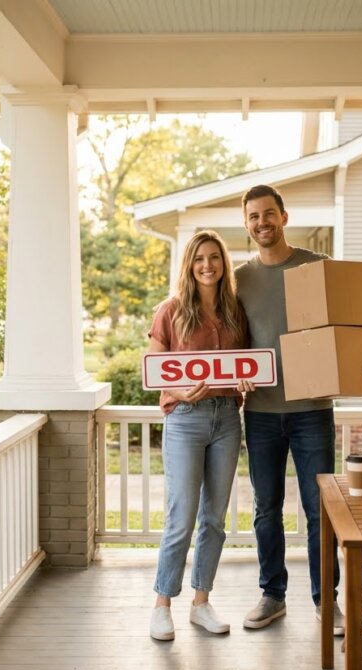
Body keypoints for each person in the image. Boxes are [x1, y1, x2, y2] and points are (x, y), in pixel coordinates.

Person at [236, 184, 362, 636]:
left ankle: (327, 602)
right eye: (253, 216)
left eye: (269, 213)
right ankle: (273, 596)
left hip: (312, 412)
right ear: (247, 224)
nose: (262, 222)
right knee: (266, 509)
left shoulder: (317, 267)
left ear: (284, 217)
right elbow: (227, 342)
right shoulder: (239, 279)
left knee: (318, 510)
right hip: (262, 412)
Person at [148, 230, 253, 641]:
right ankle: (162, 605)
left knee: (214, 519)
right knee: (182, 516)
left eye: (214, 258)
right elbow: (157, 371)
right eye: (199, 259)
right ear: (189, 266)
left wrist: (247, 381)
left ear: (223, 263)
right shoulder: (171, 310)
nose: (207, 265)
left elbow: (245, 365)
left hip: (227, 419)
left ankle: (201, 602)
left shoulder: (235, 312)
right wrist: (178, 391)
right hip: (186, 420)